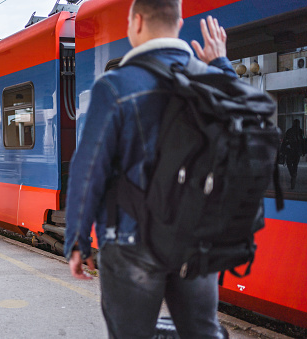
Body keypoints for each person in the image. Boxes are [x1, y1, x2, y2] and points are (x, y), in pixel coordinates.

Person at [64, 0, 237, 337]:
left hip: (131, 238)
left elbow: (89, 172)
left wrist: (77, 241)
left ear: (137, 21)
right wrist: (221, 63)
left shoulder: (113, 87)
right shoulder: (215, 80)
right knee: (201, 332)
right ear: (179, 21)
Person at [282, 119, 306, 189]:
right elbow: (303, 142)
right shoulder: (300, 132)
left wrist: (283, 151)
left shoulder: (289, 131)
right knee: (295, 165)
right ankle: (293, 176)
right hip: (297, 152)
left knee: (289, 164)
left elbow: (285, 141)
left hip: (290, 151)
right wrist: (303, 151)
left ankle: (293, 175)